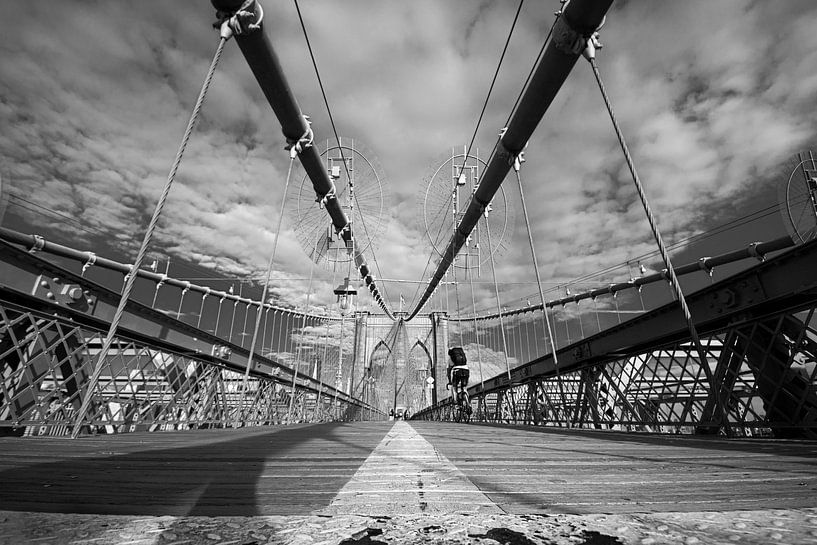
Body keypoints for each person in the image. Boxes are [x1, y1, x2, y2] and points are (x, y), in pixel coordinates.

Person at [446, 347, 471, 415]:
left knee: (454, 387)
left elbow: (448, 371)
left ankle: (456, 403)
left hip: (457, 372)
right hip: (466, 371)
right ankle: (468, 403)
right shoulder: (463, 358)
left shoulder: (450, 359)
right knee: (464, 387)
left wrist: (449, 382)